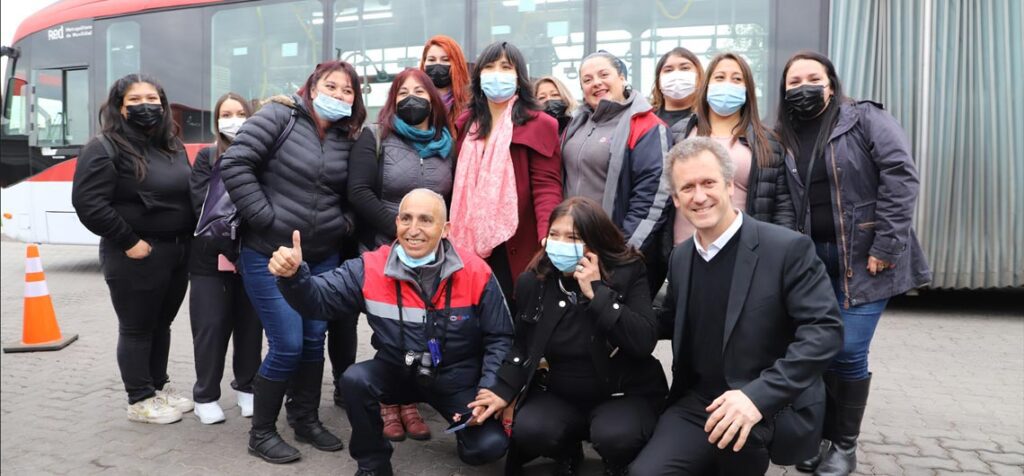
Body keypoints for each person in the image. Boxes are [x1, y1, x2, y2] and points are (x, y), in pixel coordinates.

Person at [630, 138, 843, 475]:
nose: (699, 196)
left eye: (708, 183)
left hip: (765, 402)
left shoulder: (787, 249)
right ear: (675, 198)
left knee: (734, 456)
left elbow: (825, 333)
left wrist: (757, 397)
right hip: (699, 402)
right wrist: (605, 308)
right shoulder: (682, 258)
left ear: (730, 186)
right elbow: (665, 321)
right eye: (687, 187)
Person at [270, 189, 513, 476]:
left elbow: (501, 337)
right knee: (355, 380)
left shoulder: (475, 271)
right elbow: (319, 301)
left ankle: (463, 432)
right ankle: (373, 464)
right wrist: (294, 277)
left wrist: (489, 389)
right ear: (396, 222)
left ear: (445, 229)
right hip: (398, 368)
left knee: (488, 447)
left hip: (457, 377)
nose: (413, 230)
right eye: (406, 219)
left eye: (425, 220)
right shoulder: (370, 266)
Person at [775, 52, 932, 476]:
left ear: (831, 83)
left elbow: (901, 175)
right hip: (810, 259)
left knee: (847, 350)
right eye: (794, 81)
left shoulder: (863, 118)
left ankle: (845, 445)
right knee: (816, 348)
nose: (803, 87)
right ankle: (819, 435)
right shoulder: (782, 133)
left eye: (813, 77)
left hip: (864, 258)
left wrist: (887, 244)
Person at [221, 60, 366, 463]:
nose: (339, 95)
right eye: (331, 86)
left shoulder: (346, 136)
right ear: (312, 87)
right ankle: (261, 433)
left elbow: (353, 191)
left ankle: (304, 418)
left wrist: (342, 224)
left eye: (348, 91)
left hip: (321, 257)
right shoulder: (278, 116)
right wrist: (267, 220)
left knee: (311, 341)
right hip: (270, 254)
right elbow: (235, 163)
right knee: (285, 343)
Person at [493, 197, 668, 476]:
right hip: (561, 392)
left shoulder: (628, 272)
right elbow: (522, 346)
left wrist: (597, 293)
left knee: (616, 436)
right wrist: (502, 390)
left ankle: (619, 461)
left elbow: (644, 340)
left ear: (595, 243)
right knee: (531, 429)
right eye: (554, 235)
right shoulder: (534, 281)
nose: (560, 243)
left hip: (621, 393)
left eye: (573, 237)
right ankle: (567, 450)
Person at [72, 74, 195, 424]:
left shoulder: (171, 145)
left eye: (152, 99)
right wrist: (130, 241)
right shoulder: (104, 147)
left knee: (162, 323)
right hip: (135, 253)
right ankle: (139, 398)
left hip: (176, 252)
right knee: (138, 327)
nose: (146, 106)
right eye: (135, 100)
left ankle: (157, 386)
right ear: (120, 107)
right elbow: (88, 203)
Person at [348, 67, 455, 442]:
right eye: (403, 92)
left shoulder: (448, 142)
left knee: (421, 326)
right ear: (393, 100)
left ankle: (409, 400)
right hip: (386, 248)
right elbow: (359, 192)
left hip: (432, 252)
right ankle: (388, 403)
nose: (412, 98)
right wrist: (403, 230)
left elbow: (452, 197)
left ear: (434, 100)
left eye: (420, 91)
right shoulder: (376, 137)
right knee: (389, 330)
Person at [451, 41, 563, 302]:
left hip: (519, 240)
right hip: (470, 243)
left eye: (505, 67)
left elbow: (547, 186)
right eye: (489, 67)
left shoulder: (540, 124)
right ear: (478, 77)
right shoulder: (466, 125)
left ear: (519, 77)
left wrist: (547, 234)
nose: (497, 73)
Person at [560, 51, 672, 296]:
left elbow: (652, 200)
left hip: (616, 255)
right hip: (573, 251)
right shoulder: (576, 125)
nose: (596, 83)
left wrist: (620, 254)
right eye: (587, 79)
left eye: (604, 74)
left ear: (622, 77)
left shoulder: (646, 125)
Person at [187, 92, 262, 424]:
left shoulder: (263, 154)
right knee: (211, 328)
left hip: (252, 255)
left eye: (241, 112)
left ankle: (247, 388)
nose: (234, 119)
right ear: (217, 121)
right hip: (210, 259)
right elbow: (201, 203)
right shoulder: (207, 157)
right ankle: (205, 395)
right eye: (226, 114)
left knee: (250, 327)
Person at [675, 52, 795, 247]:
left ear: (747, 89)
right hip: (682, 252)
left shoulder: (768, 142)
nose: (727, 85)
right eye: (719, 78)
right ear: (707, 86)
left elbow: (782, 208)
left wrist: (777, 255)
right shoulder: (679, 133)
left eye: (737, 79)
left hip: (744, 254)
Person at [650, 47, 704, 143]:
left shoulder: (708, 119)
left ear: (699, 76)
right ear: (659, 81)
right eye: (668, 70)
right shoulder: (646, 119)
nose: (676, 74)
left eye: (685, 68)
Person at [420, 35, 471, 130]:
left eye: (445, 60)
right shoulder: (415, 100)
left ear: (457, 64)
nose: (438, 64)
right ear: (424, 64)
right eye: (431, 60)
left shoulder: (471, 104)